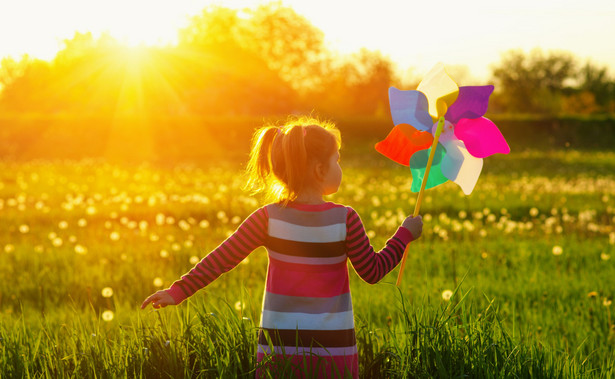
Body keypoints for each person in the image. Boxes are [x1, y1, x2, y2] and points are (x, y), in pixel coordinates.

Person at [141, 117, 423, 378]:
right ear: (319, 169)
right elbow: (372, 271)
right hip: (334, 350)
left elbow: (220, 259)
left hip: (278, 351)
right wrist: (403, 236)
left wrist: (177, 291)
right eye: (337, 160)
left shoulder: (268, 218)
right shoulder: (345, 219)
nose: (340, 168)